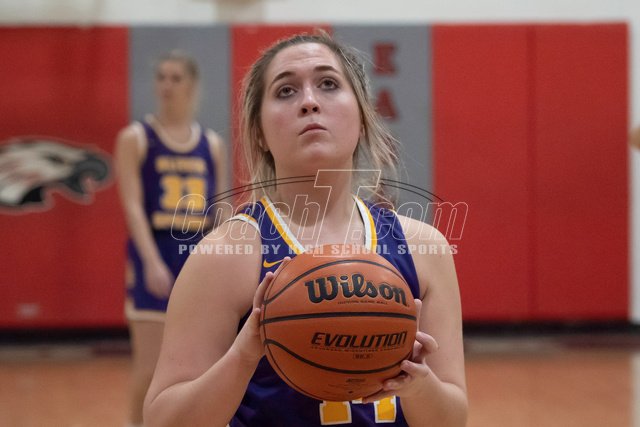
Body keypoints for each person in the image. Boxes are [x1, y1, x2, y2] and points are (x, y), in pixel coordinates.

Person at [144, 32, 467, 427]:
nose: (310, 101)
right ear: (259, 132)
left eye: (328, 83)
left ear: (362, 117)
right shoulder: (227, 254)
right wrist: (244, 356)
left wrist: (419, 384)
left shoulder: (423, 247)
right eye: (286, 91)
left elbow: (452, 419)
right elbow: (163, 420)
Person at [114, 50, 228, 427]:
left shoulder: (211, 144)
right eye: (161, 77)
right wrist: (151, 262)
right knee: (149, 368)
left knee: (201, 366)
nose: (166, 85)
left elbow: (220, 210)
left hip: (197, 254)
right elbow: (132, 207)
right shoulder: (136, 138)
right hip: (156, 250)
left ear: (192, 85)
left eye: (176, 78)